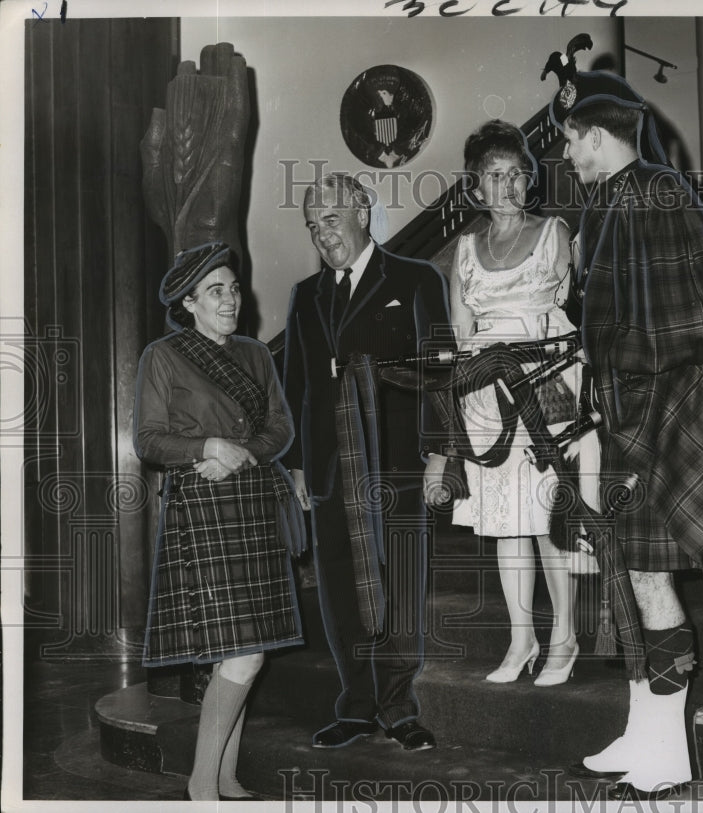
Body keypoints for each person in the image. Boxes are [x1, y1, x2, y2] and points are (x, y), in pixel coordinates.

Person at [544, 63, 703, 798]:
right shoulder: (610, 203)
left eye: (570, 141)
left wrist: (621, 370)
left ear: (594, 134)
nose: (566, 156)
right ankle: (644, 730)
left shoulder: (657, 192)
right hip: (630, 416)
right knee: (630, 574)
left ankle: (671, 753)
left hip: (671, 418)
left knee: (649, 578)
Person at [282, 172, 452, 751]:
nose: (322, 234)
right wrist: (298, 465)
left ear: (361, 211)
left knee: (399, 581)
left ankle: (398, 708)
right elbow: (298, 383)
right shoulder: (306, 295)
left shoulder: (414, 277)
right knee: (339, 588)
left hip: (398, 462)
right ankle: (356, 705)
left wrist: (439, 455)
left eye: (330, 219)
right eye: (312, 226)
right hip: (331, 467)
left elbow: (439, 371)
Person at [133, 242, 305, 802]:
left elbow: (281, 427)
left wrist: (242, 453)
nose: (231, 299)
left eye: (233, 288)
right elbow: (148, 440)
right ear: (189, 303)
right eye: (215, 292)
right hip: (204, 508)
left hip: (252, 502)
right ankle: (201, 785)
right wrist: (205, 446)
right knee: (244, 653)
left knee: (245, 650)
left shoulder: (256, 354)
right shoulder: (162, 356)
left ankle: (225, 777)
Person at [439, 119, 597, 687]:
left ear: (530, 180)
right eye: (493, 176)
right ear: (476, 187)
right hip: (486, 392)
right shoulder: (464, 249)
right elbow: (462, 334)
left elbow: (571, 312)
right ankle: (521, 637)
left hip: (547, 380)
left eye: (515, 174)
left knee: (549, 514)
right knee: (507, 522)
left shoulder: (554, 232)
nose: (506, 186)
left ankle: (564, 637)